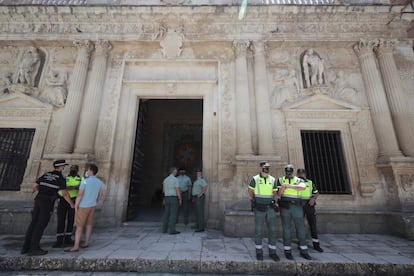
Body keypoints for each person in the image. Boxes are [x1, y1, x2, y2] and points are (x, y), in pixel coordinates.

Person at [21, 159, 73, 256]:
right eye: (63, 166)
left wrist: (42, 192)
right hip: (47, 202)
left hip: (38, 199)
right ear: (61, 167)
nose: (64, 168)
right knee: (41, 225)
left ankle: (26, 247)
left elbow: (35, 185)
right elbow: (64, 193)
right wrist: (71, 204)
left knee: (33, 223)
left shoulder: (46, 174)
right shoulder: (60, 178)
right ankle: (34, 248)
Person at [64, 164, 103, 252]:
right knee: (89, 224)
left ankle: (76, 246)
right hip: (92, 205)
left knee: (79, 226)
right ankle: (86, 242)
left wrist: (76, 206)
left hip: (83, 206)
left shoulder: (85, 181)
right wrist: (95, 202)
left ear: (90, 171)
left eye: (87, 170)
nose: (86, 172)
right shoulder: (99, 182)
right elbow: (100, 195)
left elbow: (79, 195)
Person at [277, 164, 311, 260]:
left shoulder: (299, 180)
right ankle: (287, 251)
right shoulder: (280, 180)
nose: (288, 172)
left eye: (290, 170)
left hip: (297, 206)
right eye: (287, 171)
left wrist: (289, 186)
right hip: (285, 206)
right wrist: (283, 188)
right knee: (286, 228)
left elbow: (302, 187)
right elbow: (278, 193)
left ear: (293, 171)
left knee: (300, 228)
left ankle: (304, 250)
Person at [248, 161, 280, 262]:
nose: (266, 169)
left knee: (273, 230)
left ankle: (273, 252)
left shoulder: (273, 179)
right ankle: (259, 252)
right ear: (261, 168)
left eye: (268, 167)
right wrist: (256, 201)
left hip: (270, 208)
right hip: (259, 208)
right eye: (265, 167)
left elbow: (274, 192)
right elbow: (250, 191)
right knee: (258, 230)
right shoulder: (255, 179)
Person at [53, 165, 82, 248]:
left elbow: (83, 188)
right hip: (63, 200)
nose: (73, 171)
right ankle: (59, 239)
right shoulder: (65, 178)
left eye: (75, 169)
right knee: (61, 219)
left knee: (71, 219)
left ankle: (68, 238)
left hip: (74, 200)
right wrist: (71, 188)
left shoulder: (80, 179)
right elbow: (61, 188)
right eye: (72, 169)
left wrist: (72, 188)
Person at [297, 168, 323, 252]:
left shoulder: (310, 182)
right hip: (299, 205)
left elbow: (316, 193)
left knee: (312, 224)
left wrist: (313, 198)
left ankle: (316, 244)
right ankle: (301, 243)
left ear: (305, 174)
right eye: (300, 173)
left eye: (303, 173)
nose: (301, 175)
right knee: (300, 225)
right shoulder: (295, 183)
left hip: (309, 205)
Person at [161, 167, 182, 235]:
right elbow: (177, 189)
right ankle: (172, 230)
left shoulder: (165, 180)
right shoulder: (175, 179)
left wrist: (164, 198)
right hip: (173, 198)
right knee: (173, 214)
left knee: (166, 213)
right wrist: (180, 198)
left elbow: (163, 190)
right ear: (173, 172)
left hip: (167, 198)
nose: (176, 172)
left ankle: (164, 229)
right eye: (176, 171)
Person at [192, 169, 208, 233]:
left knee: (200, 212)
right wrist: (193, 197)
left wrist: (201, 193)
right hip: (195, 197)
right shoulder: (197, 180)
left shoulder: (202, 180)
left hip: (199, 198)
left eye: (199, 173)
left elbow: (205, 186)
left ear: (201, 174)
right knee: (197, 212)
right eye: (197, 173)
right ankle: (197, 225)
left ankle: (201, 227)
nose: (197, 174)